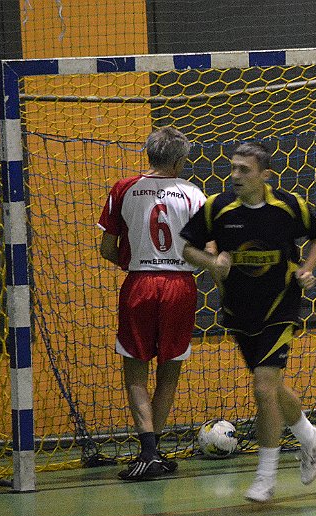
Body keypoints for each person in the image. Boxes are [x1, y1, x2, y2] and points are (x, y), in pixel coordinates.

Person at [180, 141, 316, 503]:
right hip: (239, 310)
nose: (235, 175)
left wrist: (306, 270)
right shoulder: (217, 207)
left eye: (244, 169)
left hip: (281, 307)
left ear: (265, 175)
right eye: (233, 167)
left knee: (263, 388)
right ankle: (309, 435)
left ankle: (265, 478)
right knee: (273, 386)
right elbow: (187, 248)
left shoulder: (289, 207)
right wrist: (211, 262)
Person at [98, 126, 206, 480]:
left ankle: (147, 452)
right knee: (169, 372)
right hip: (181, 286)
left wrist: (138, 263)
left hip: (139, 284)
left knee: (135, 372)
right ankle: (154, 452)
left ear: (148, 154)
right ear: (180, 160)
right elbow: (209, 250)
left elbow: (107, 248)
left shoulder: (123, 188)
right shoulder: (194, 194)